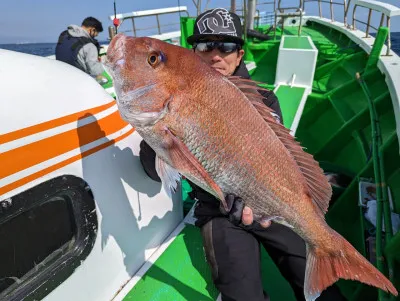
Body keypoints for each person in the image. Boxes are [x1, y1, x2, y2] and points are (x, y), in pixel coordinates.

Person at [139, 8, 345, 301]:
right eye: (205, 45)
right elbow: (151, 168)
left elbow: (274, 161)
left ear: (240, 54)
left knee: (322, 290)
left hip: (273, 205)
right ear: (193, 51)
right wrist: (156, 129)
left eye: (226, 46)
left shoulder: (263, 100)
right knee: (241, 294)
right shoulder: (171, 96)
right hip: (218, 210)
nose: (215, 55)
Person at [55, 17, 107, 84]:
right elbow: (95, 71)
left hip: (61, 75)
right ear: (92, 30)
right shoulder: (90, 46)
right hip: (78, 82)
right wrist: (106, 64)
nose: (94, 37)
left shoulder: (64, 35)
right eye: (95, 35)